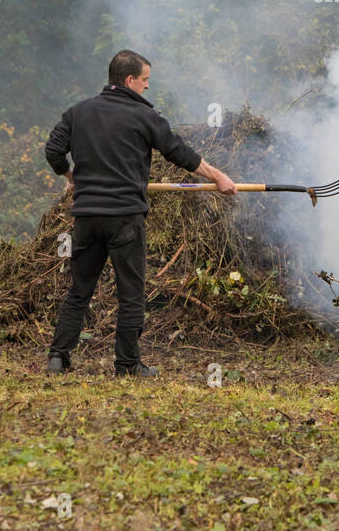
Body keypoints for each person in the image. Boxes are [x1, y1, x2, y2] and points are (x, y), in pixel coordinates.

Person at [43, 49, 236, 378]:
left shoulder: (79, 112)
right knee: (131, 294)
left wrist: (70, 177)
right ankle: (127, 365)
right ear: (130, 80)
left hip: (87, 218)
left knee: (79, 289)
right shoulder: (146, 118)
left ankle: (58, 358)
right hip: (125, 218)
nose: (147, 87)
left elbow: (53, 150)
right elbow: (180, 153)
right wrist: (218, 176)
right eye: (145, 80)